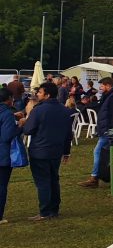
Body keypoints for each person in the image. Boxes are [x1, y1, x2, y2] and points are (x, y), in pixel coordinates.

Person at [20, 82, 73, 220]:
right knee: (54, 179)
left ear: (47, 95)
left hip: (40, 151)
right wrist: (66, 151)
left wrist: (25, 120)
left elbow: (28, 130)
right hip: (56, 151)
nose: (37, 94)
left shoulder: (38, 110)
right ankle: (54, 209)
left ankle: (45, 211)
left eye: (40, 92)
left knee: (43, 182)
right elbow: (68, 134)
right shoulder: (65, 110)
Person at [80, 77, 113, 189]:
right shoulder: (108, 96)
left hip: (108, 131)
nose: (100, 88)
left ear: (108, 86)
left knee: (98, 152)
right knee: (103, 153)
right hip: (106, 130)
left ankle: (95, 178)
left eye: (102, 85)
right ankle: (99, 176)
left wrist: (111, 131)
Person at [1, 87, 24, 224]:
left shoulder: (8, 114)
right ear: (9, 99)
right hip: (2, 155)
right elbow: (7, 136)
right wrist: (20, 126)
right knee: (2, 186)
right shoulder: (7, 114)